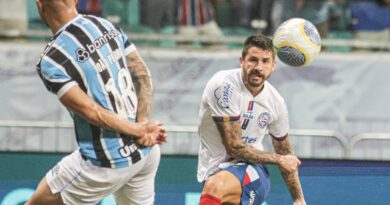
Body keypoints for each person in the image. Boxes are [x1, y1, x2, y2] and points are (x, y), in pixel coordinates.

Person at [26, 0, 167, 204]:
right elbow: (142, 74)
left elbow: (92, 111)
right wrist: (143, 124)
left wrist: (138, 129)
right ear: (75, 0)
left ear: (40, 6)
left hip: (104, 162)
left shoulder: (52, 59)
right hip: (146, 151)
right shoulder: (104, 25)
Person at [197, 34, 306, 205]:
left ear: (273, 66)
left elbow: (285, 153)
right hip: (215, 168)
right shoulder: (224, 86)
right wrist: (278, 159)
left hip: (253, 171)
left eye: (265, 61)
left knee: (215, 186)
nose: (258, 67)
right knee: (215, 184)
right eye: (253, 60)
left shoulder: (276, 102)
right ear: (242, 61)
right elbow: (234, 146)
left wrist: (299, 199)